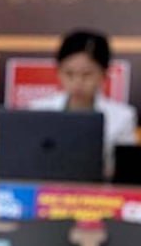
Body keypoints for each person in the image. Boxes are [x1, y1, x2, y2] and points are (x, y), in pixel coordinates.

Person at [31, 30, 138, 172]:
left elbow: (125, 170)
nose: (77, 82)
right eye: (69, 74)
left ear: (104, 74)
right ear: (58, 72)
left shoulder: (122, 117)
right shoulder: (38, 110)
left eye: (87, 75)